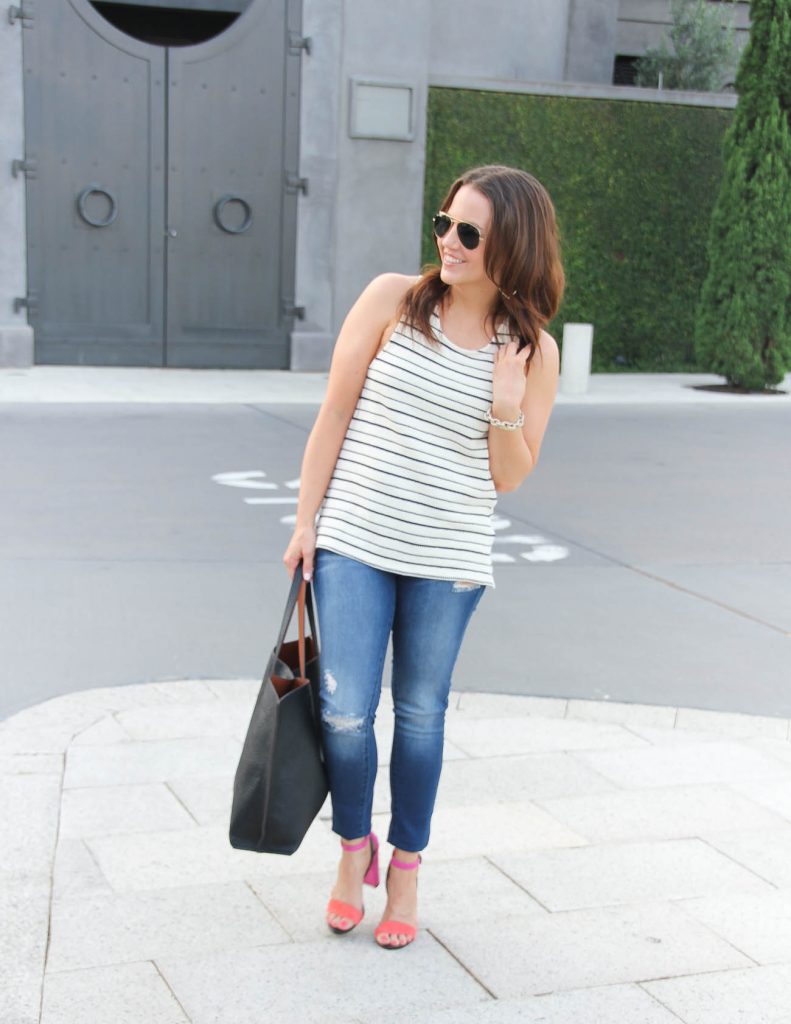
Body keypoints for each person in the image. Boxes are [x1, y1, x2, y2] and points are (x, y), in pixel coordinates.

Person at [283, 163, 565, 949]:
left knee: (418, 716)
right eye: (444, 224)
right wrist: (305, 521)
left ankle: (405, 865)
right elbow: (333, 412)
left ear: (510, 245)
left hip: (448, 554)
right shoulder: (390, 300)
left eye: (468, 232)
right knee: (343, 711)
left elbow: (508, 477)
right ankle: (351, 853)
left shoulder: (532, 352)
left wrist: (504, 407)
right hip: (354, 538)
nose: (448, 241)